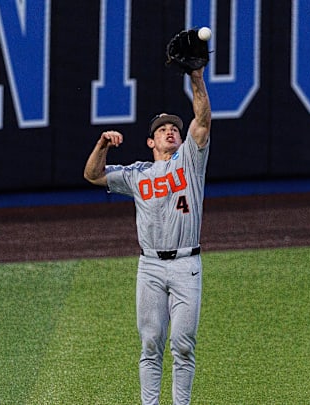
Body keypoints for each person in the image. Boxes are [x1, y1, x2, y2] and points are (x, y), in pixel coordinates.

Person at [83, 66, 211, 405]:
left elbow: (203, 119)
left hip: (187, 264)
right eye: (163, 129)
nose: (170, 132)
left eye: (174, 129)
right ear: (151, 141)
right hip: (151, 267)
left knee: (183, 345)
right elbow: (93, 175)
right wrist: (102, 145)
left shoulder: (190, 161)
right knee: (151, 343)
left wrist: (196, 77)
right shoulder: (137, 174)